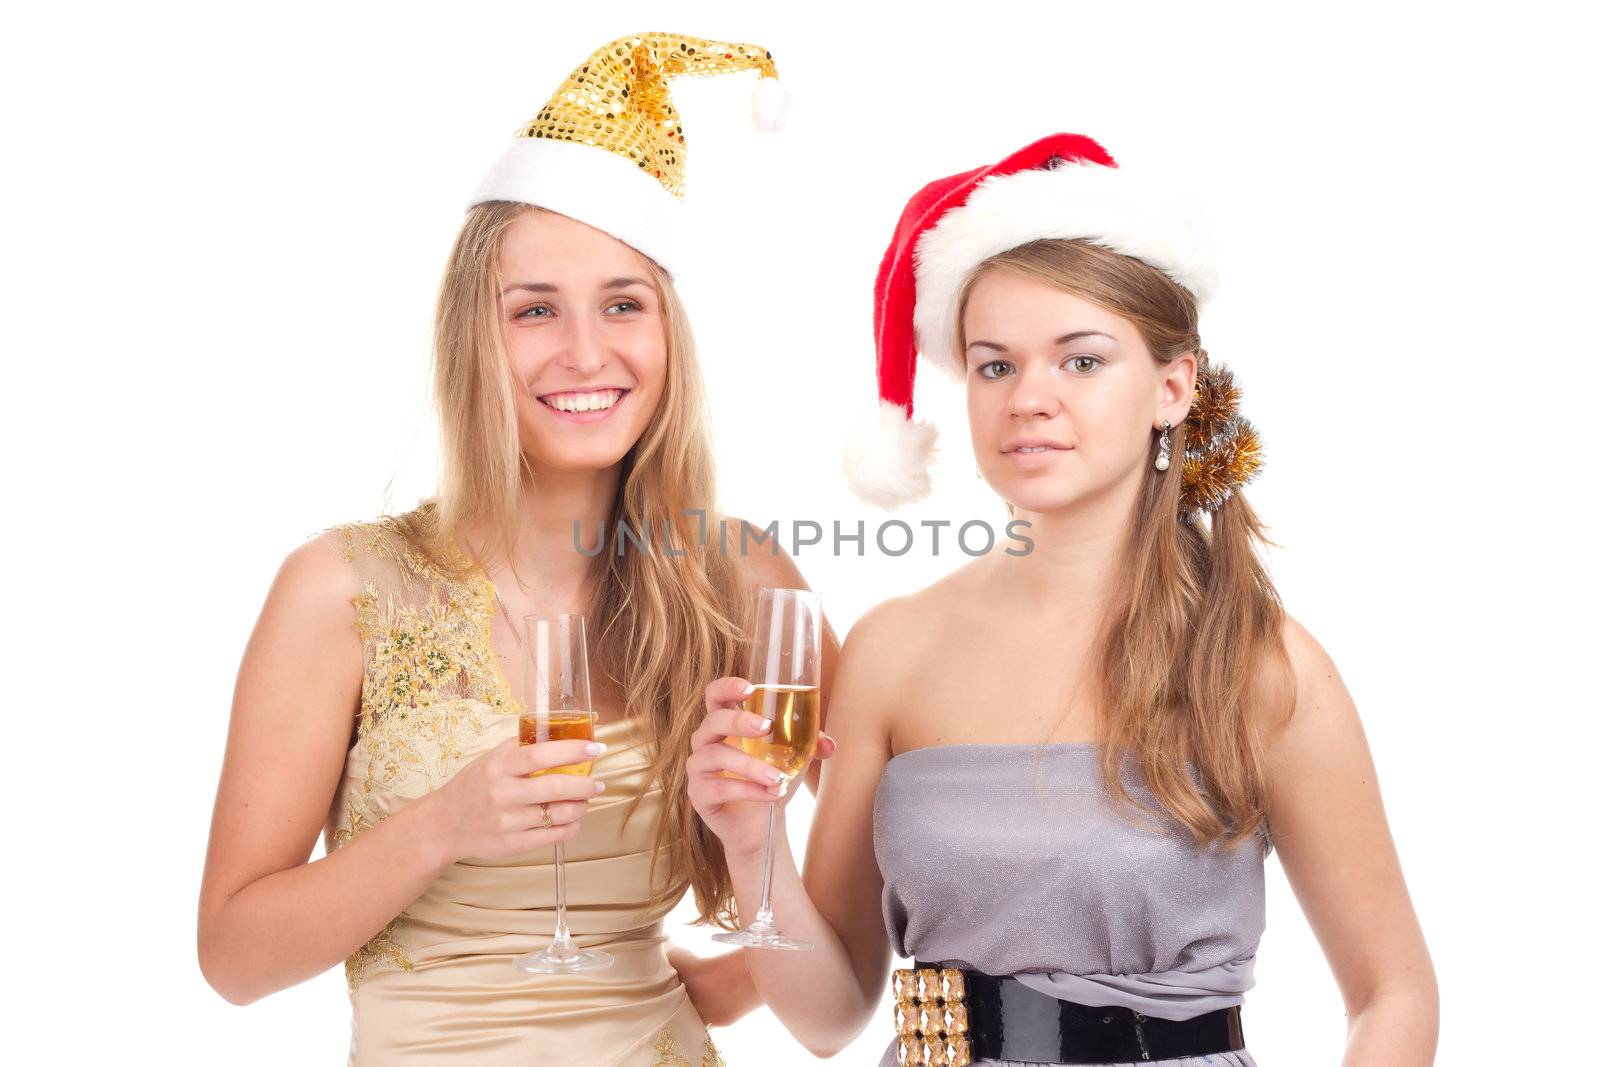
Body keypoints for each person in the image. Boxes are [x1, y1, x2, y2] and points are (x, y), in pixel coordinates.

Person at [688, 133, 1439, 1065]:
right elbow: (832, 1012)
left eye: (1080, 361)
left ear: (1173, 387)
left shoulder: (1258, 661)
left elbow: (1393, 991)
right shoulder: (894, 649)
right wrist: (750, 840)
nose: (1029, 398)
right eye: (995, 365)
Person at [197, 32, 837, 1066]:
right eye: (535, 310)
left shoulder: (742, 580)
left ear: (666, 331)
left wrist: (729, 971)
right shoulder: (342, 589)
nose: (587, 352)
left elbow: (873, 887)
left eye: (623, 303)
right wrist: (442, 824)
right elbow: (233, 957)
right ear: (474, 339)